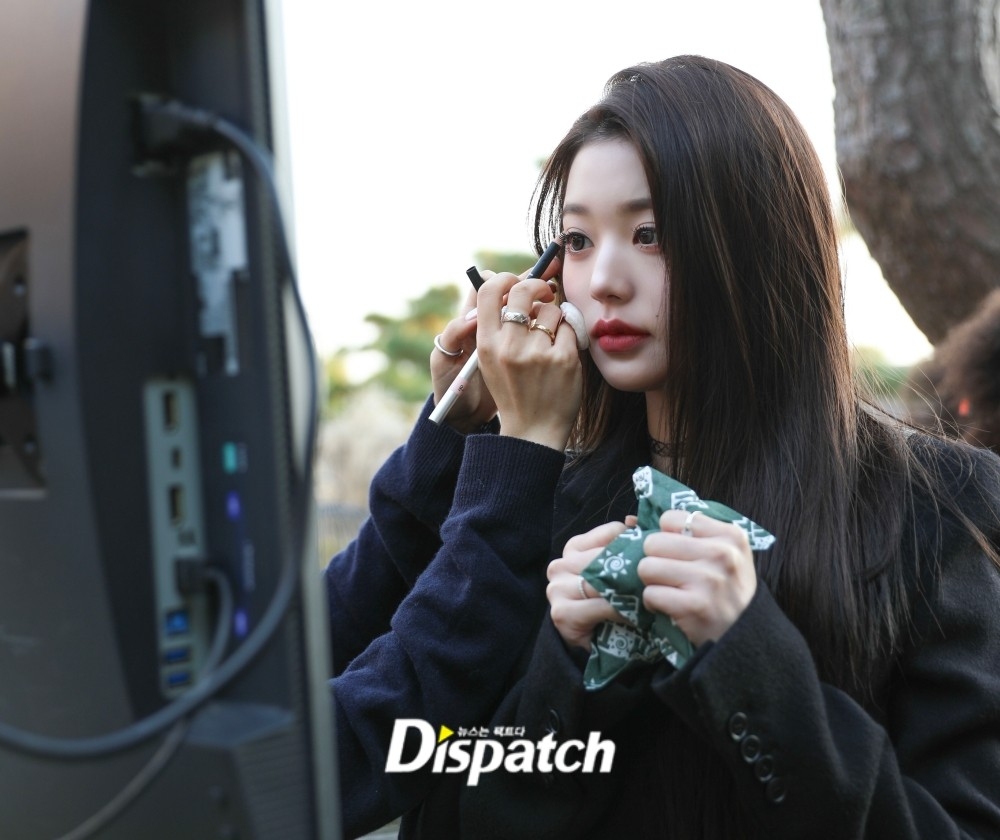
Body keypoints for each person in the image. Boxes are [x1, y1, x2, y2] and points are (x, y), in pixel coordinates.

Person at [329, 55, 1000, 839]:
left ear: (760, 240)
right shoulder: (538, 514)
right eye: (578, 241)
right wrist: (566, 669)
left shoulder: (936, 504)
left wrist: (749, 658)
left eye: (650, 234)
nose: (605, 281)